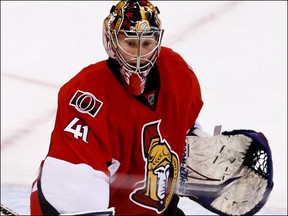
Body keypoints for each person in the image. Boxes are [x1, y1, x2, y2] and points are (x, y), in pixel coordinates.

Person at [30, 0, 203, 215]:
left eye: (147, 43)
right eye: (130, 43)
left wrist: (202, 145)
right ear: (112, 41)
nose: (139, 55)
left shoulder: (178, 72)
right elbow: (73, 187)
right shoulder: (87, 95)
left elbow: (182, 127)